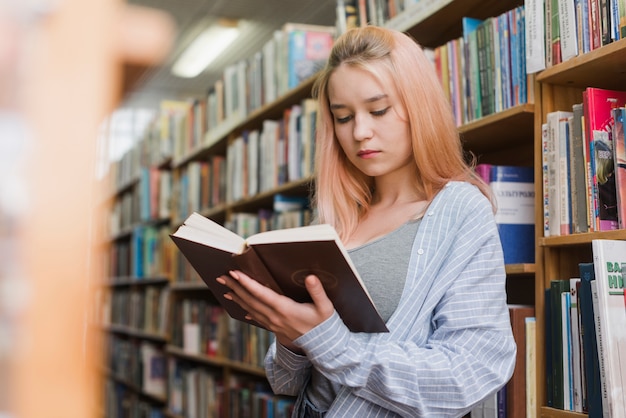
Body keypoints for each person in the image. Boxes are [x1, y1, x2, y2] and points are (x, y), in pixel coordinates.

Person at [217, 25, 516, 417]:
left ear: (419, 107)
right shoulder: (335, 217)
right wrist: (289, 335)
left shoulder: (460, 211)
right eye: (342, 117)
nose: (360, 132)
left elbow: (468, 374)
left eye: (378, 110)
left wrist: (328, 341)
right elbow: (285, 381)